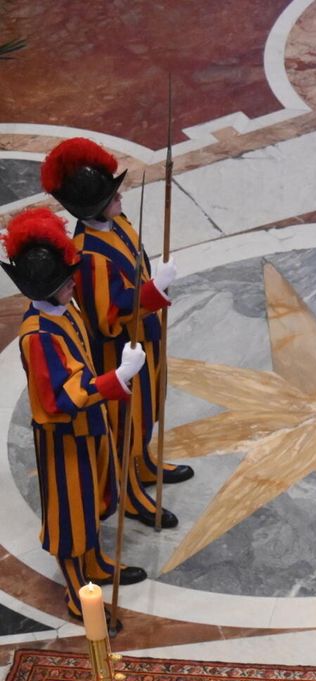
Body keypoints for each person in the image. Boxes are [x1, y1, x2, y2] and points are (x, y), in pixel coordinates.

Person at [4, 207, 146, 620]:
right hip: (64, 439)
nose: (72, 285)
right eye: (65, 282)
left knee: (95, 500)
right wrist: (116, 378)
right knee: (70, 519)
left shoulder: (66, 312)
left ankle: (97, 564)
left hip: (89, 427)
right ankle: (75, 594)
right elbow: (60, 399)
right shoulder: (38, 336)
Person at [42, 137, 186, 530]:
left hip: (147, 334)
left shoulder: (117, 222)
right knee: (128, 423)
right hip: (120, 349)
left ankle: (144, 463)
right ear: (94, 206)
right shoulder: (86, 252)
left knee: (151, 406)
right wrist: (154, 290)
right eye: (112, 194)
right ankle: (132, 493)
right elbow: (108, 314)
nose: (119, 196)